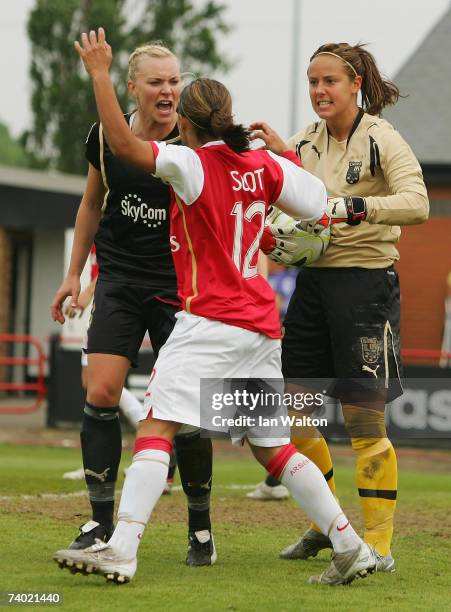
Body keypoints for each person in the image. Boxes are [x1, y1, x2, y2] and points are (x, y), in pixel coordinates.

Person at [53, 28, 377, 587]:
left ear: (187, 124)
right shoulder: (264, 167)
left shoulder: (189, 162)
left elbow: (125, 149)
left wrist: (100, 75)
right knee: (271, 447)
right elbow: (322, 206)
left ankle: (122, 546)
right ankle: (350, 545)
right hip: (260, 324)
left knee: (156, 424)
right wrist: (283, 163)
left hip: (209, 320)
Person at [248, 42, 429, 572]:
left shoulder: (381, 138)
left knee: (364, 423)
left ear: (355, 84)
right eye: (313, 82)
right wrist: (280, 162)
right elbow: (301, 193)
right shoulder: (306, 140)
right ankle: (327, 526)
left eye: (329, 81)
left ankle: (380, 544)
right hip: (312, 287)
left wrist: (358, 206)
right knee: (298, 416)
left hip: (366, 287)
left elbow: (418, 203)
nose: (319, 91)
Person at [50, 41, 214, 565]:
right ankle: (99, 521)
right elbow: (91, 204)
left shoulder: (192, 144)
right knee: (100, 392)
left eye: (174, 81)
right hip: (119, 280)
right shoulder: (103, 137)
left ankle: (201, 529)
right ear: (132, 88)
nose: (169, 91)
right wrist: (74, 275)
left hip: (179, 287)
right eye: (157, 82)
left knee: (183, 412)